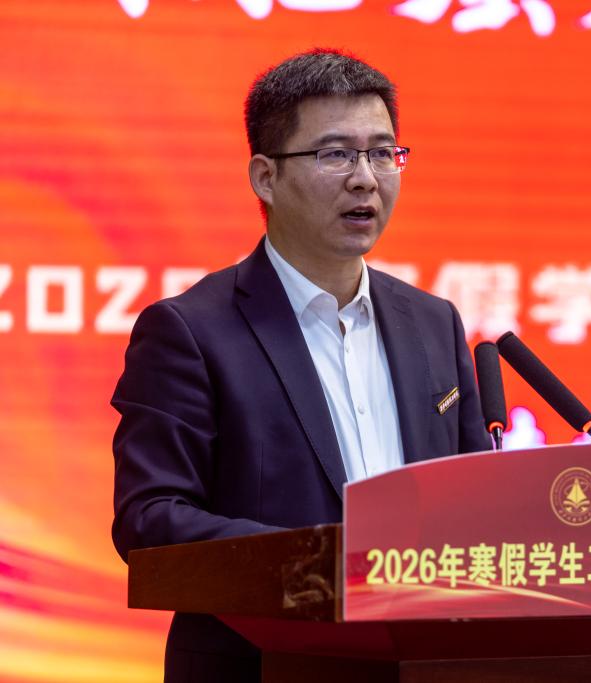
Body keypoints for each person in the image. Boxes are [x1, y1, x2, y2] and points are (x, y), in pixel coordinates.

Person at [111, 49, 492, 682]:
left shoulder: (434, 323)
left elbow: (473, 502)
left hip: (424, 664)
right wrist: (325, 561)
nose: (365, 178)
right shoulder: (191, 331)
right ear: (265, 177)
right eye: (335, 154)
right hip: (263, 664)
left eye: (383, 153)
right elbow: (149, 520)